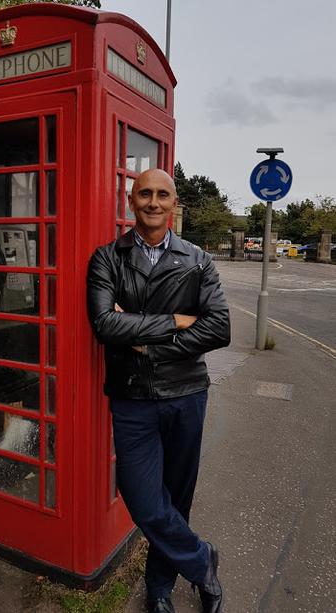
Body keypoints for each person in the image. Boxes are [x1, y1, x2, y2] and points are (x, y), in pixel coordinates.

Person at [87, 168, 230, 613]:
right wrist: (173, 322)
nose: (152, 201)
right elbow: (104, 324)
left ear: (174, 204)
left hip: (187, 395)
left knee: (177, 496)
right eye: (143, 193)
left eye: (162, 194)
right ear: (130, 202)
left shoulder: (198, 260)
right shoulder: (107, 258)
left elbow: (219, 327)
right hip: (132, 398)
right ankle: (202, 559)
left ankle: (160, 588)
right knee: (144, 499)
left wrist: (144, 342)